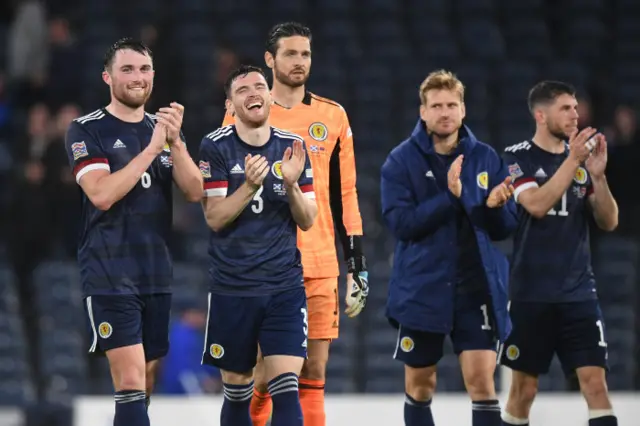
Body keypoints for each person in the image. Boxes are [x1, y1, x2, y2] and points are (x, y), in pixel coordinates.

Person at [222, 22, 368, 426]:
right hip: (264, 262)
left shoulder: (332, 116)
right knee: (265, 375)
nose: (299, 62)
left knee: (313, 372)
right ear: (270, 60)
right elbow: (226, 186)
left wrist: (356, 263)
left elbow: (345, 195)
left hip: (319, 263)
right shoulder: (241, 111)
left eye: (305, 54)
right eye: (290, 53)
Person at [64, 38, 203, 426]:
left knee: (146, 381)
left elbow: (194, 192)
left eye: (144, 69)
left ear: (154, 76)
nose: (137, 77)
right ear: (108, 77)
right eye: (127, 69)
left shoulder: (161, 130)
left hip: (155, 271)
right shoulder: (85, 129)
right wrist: (150, 149)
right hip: (109, 271)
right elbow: (102, 194)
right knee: (129, 379)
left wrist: (174, 143)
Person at [380, 70, 517, 426]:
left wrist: (497, 207)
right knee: (421, 385)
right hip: (422, 288)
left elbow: (503, 230)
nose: (445, 112)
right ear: (422, 112)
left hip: (475, 288)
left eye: (452, 105)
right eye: (436, 105)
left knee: (482, 382)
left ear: (463, 109)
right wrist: (450, 198)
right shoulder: (400, 161)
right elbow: (401, 224)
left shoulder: (486, 158)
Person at [199, 65, 318, 426]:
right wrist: (249, 186)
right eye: (242, 89)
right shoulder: (215, 146)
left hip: (284, 286)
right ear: (230, 104)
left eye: (259, 86)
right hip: (233, 288)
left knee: (286, 388)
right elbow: (215, 217)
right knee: (238, 392)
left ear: (270, 96)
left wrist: (294, 185)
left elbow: (308, 219)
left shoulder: (292, 147)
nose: (253, 93)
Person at [500, 81, 619, 426]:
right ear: (541, 114)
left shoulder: (583, 160)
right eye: (565, 108)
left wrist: (599, 177)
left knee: (596, 385)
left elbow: (609, 221)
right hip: (530, 294)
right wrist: (574, 160)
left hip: (578, 292)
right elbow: (535, 204)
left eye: (576, 107)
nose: (575, 114)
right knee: (524, 392)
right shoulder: (516, 157)